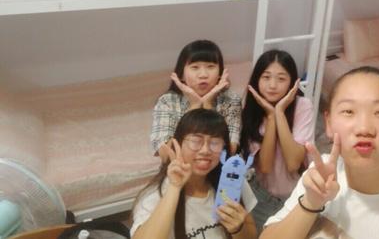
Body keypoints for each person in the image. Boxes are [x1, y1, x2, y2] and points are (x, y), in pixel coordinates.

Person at [260, 66, 379, 239]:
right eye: (348, 111)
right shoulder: (321, 174)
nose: (364, 128)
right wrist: (311, 202)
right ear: (328, 123)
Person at [131, 108, 257, 239]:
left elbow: (252, 235)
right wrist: (174, 187)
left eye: (215, 142)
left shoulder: (234, 181)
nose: (205, 150)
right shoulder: (154, 196)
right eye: (196, 141)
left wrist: (237, 230)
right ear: (178, 143)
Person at [240, 50, 314, 232]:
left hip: (298, 194)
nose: (272, 85)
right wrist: (271, 117)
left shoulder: (303, 106)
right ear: (257, 79)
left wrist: (279, 112)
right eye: (266, 77)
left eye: (281, 79)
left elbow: (293, 163)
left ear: (292, 82)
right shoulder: (250, 111)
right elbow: (265, 167)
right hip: (262, 195)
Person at [151, 40, 242, 161]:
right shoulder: (168, 101)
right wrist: (194, 106)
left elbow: (229, 152)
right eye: (195, 67)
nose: (203, 74)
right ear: (181, 74)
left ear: (220, 73)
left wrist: (208, 105)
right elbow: (166, 156)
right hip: (179, 168)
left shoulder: (231, 100)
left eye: (210, 67)